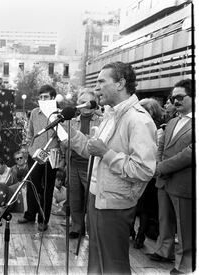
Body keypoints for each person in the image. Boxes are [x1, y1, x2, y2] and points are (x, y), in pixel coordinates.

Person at [60, 62, 157, 274]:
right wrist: (70, 134)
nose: (96, 88)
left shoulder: (138, 120)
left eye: (101, 82)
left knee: (113, 265)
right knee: (96, 260)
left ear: (120, 83)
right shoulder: (111, 115)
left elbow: (143, 170)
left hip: (115, 204)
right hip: (97, 198)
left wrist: (106, 153)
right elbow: (92, 150)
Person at [148, 79, 193, 274]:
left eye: (180, 97)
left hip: (184, 182)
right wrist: (157, 165)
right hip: (164, 180)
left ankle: (184, 265)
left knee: (185, 226)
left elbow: (191, 152)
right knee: (164, 219)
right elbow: (162, 146)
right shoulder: (173, 120)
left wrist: (162, 167)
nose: (175, 101)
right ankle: (164, 251)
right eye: (173, 97)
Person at [18, 85, 59, 232]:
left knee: (47, 189)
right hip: (35, 155)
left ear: (53, 98)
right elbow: (30, 133)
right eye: (40, 97)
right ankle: (30, 215)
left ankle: (43, 219)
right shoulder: (35, 112)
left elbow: (63, 137)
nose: (42, 99)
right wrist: (29, 149)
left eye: (46, 97)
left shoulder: (59, 114)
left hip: (50, 157)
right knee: (32, 186)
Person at [62, 90, 102, 239]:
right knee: (74, 197)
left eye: (87, 102)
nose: (83, 105)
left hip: (90, 164)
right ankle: (76, 227)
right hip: (73, 162)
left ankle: (92, 229)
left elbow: (95, 141)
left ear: (93, 103)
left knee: (90, 198)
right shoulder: (73, 120)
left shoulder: (101, 120)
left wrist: (80, 139)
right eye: (81, 101)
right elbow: (66, 138)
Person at [133, 98, 163, 248]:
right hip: (136, 170)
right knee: (135, 204)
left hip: (151, 172)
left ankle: (140, 235)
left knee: (145, 207)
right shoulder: (138, 125)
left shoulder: (158, 130)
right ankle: (131, 232)